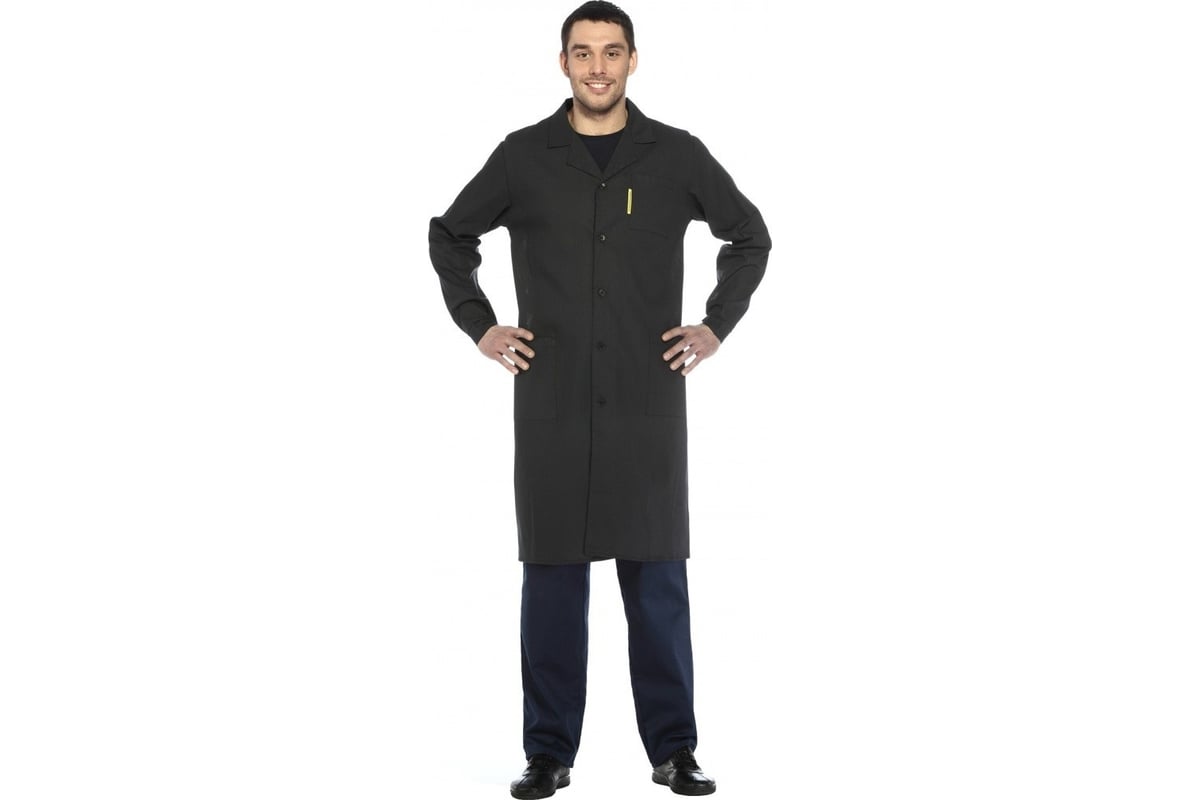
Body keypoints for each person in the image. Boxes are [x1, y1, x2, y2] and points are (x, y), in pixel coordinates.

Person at [429, 2, 770, 796]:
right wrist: (480, 324)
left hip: (647, 405)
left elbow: (749, 236)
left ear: (633, 60)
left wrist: (715, 325)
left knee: (658, 590)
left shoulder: (675, 155)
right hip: (553, 404)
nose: (597, 67)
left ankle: (674, 751)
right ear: (563, 63)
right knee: (552, 590)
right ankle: (548, 754)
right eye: (582, 52)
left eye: (611, 52)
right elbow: (450, 235)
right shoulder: (522, 157)